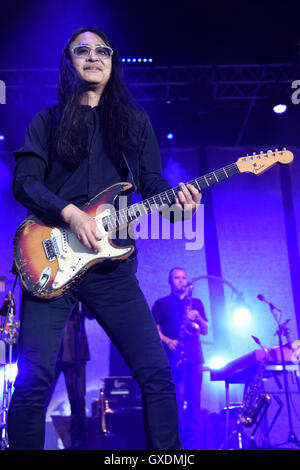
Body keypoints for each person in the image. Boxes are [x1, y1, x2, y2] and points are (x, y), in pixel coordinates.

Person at [7, 27, 201, 450]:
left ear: (112, 62)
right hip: (51, 259)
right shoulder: (47, 120)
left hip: (111, 269)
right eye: (83, 50)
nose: (94, 56)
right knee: (34, 378)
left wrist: (179, 206)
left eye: (103, 50)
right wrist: (71, 213)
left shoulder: (133, 124)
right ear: (69, 62)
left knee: (156, 373)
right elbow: (24, 182)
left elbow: (151, 185)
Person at [152, 267, 208, 449]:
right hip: (172, 359)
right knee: (176, 402)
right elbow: (154, 331)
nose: (181, 281)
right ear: (170, 281)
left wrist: (198, 317)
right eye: (177, 278)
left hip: (194, 358)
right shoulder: (161, 304)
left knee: (194, 403)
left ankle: (195, 445)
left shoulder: (196, 303)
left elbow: (205, 330)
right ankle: (177, 445)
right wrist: (168, 341)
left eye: (184, 277)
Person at [45, 302, 92, 450]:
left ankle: (77, 443)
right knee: (42, 398)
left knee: (78, 400)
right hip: (53, 348)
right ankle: (32, 441)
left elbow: (91, 313)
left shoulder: (79, 286)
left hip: (75, 349)